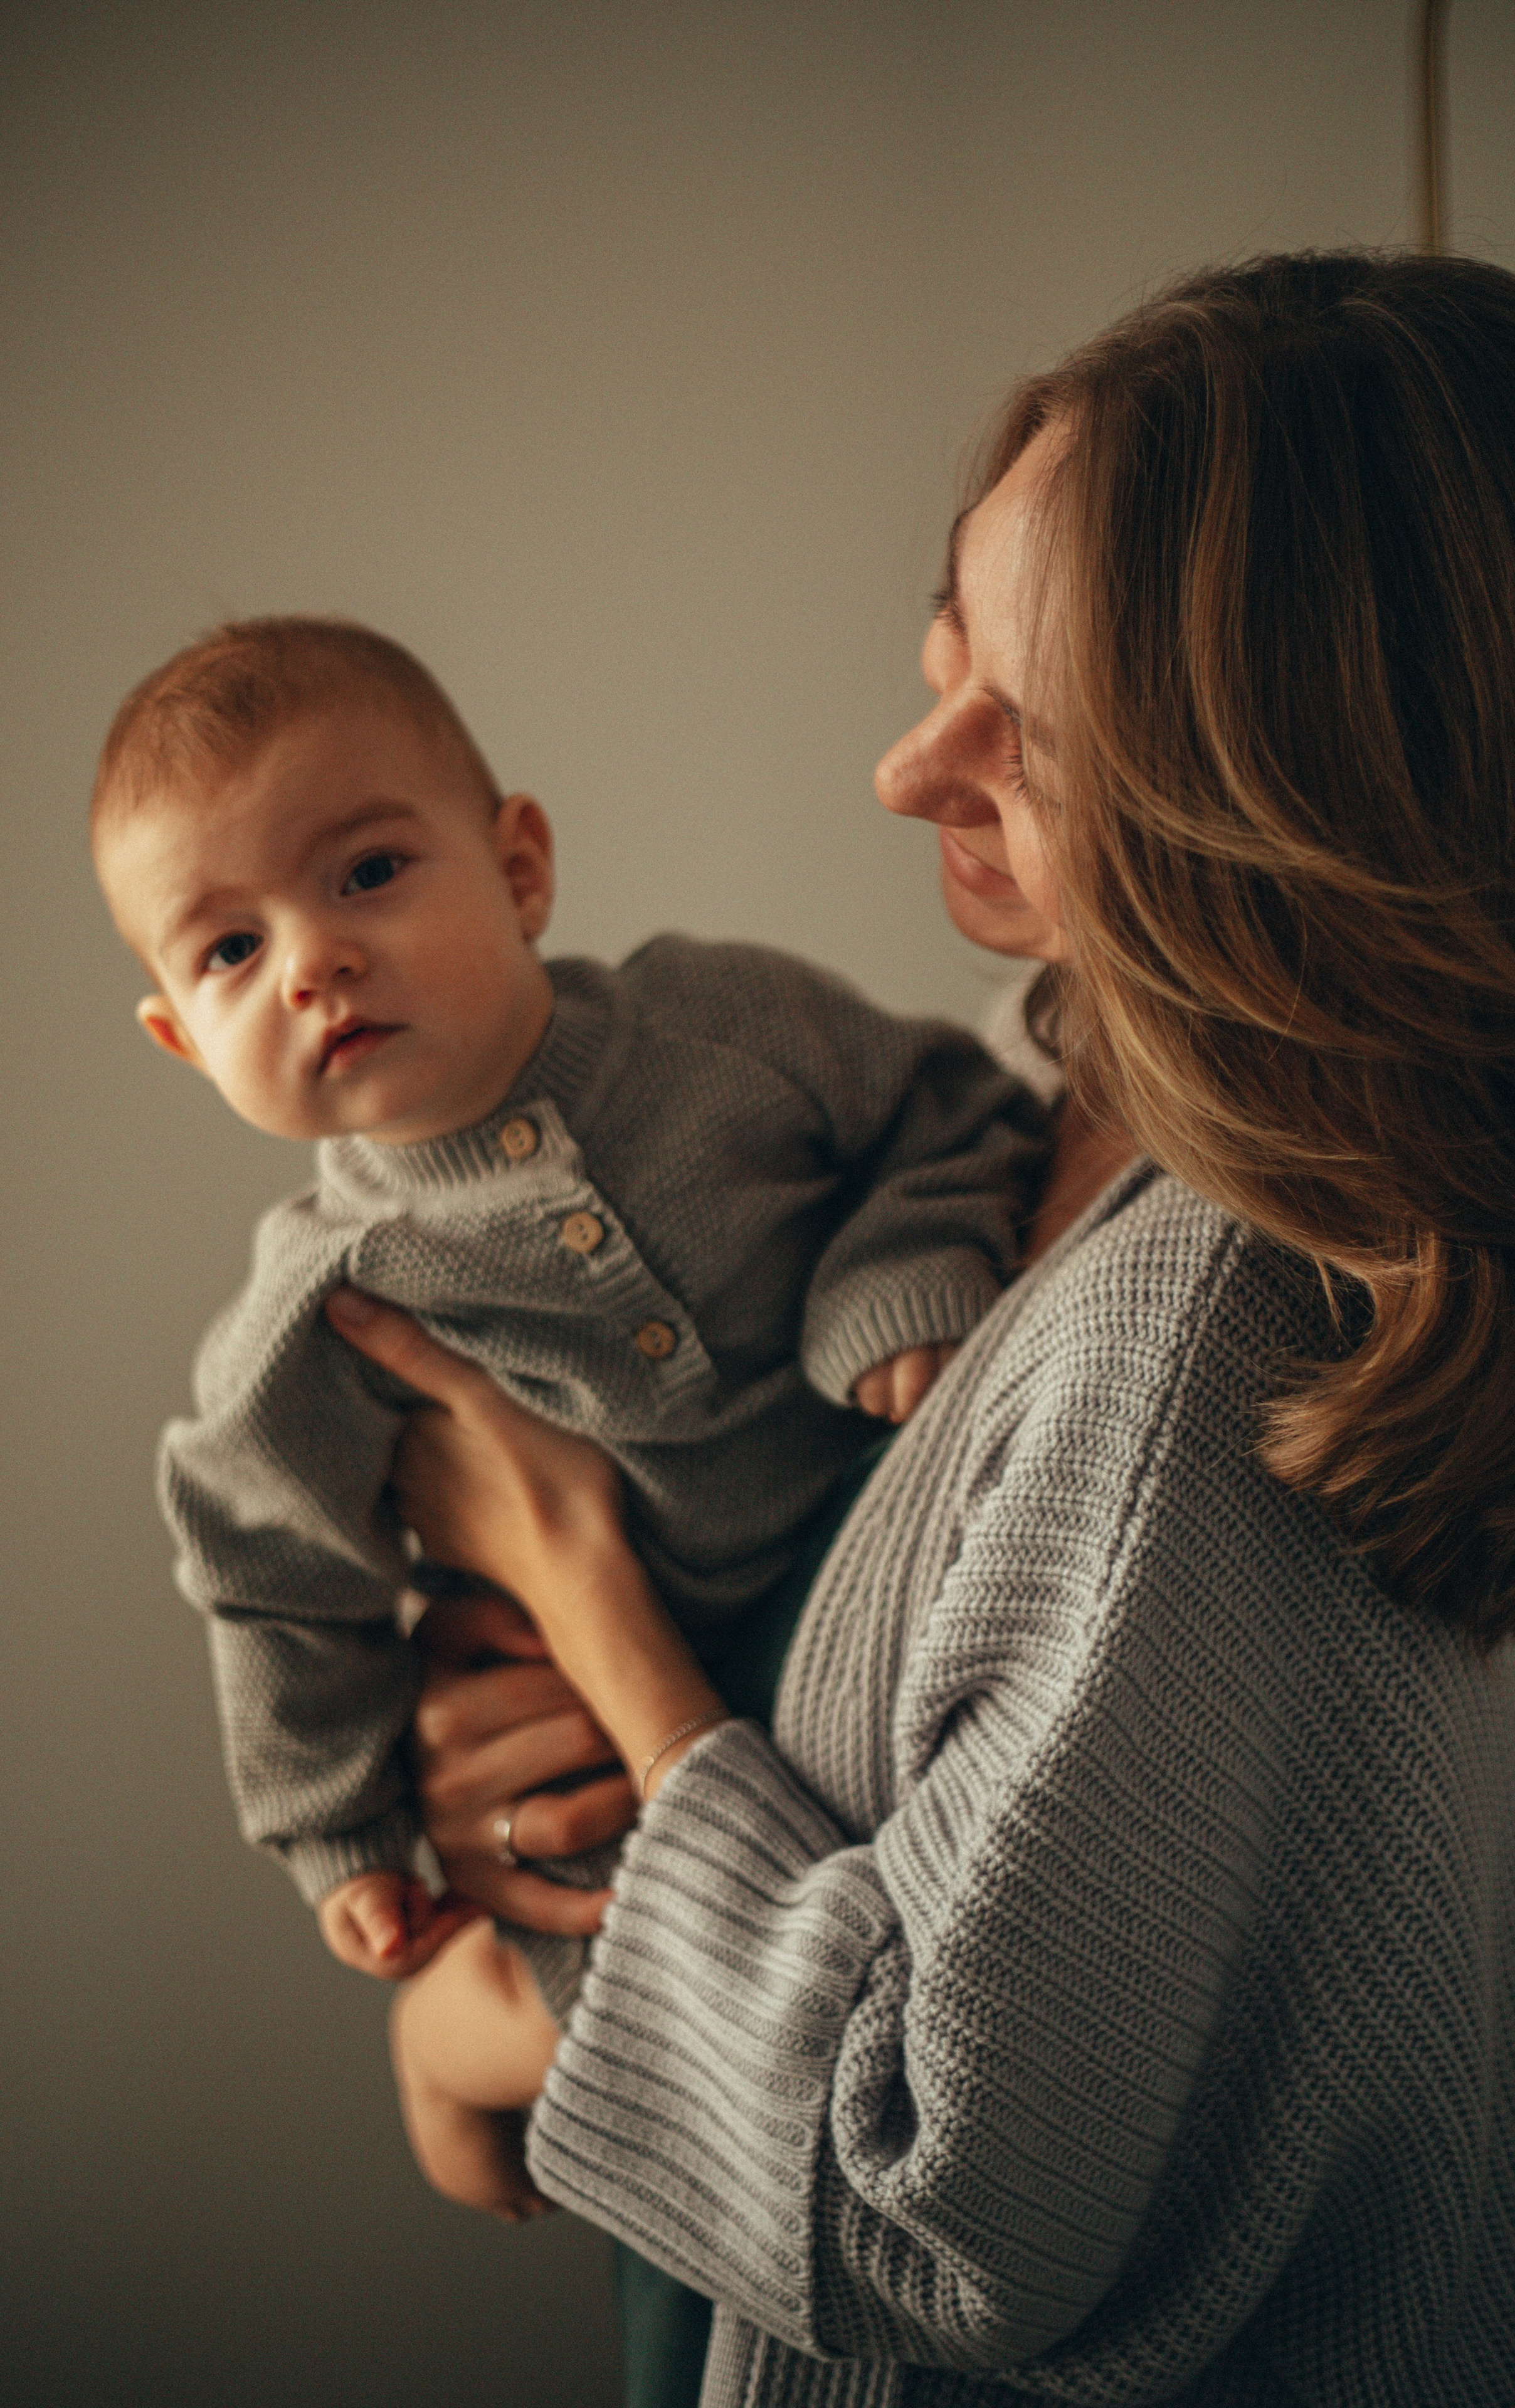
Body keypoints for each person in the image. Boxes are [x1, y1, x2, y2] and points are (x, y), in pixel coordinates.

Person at [335, 250, 1515, 2404]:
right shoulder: (1009, 1195)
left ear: (1277, 770)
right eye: (946, 663)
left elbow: (928, 2193)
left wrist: (571, 1631)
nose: (909, 765)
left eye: (1030, 716)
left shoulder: (1203, 1321)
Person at [89, 618, 1047, 2022]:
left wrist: (891, 1275)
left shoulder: (726, 1023)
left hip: (896, 1601)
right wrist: (335, 1830)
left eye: (367, 874)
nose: (313, 963)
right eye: (230, 949)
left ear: (518, 868)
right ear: (181, 1034)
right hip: (596, 1736)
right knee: (648, 1976)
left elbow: (951, 1108)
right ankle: (528, 2092)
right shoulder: (316, 1315)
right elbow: (270, 1577)